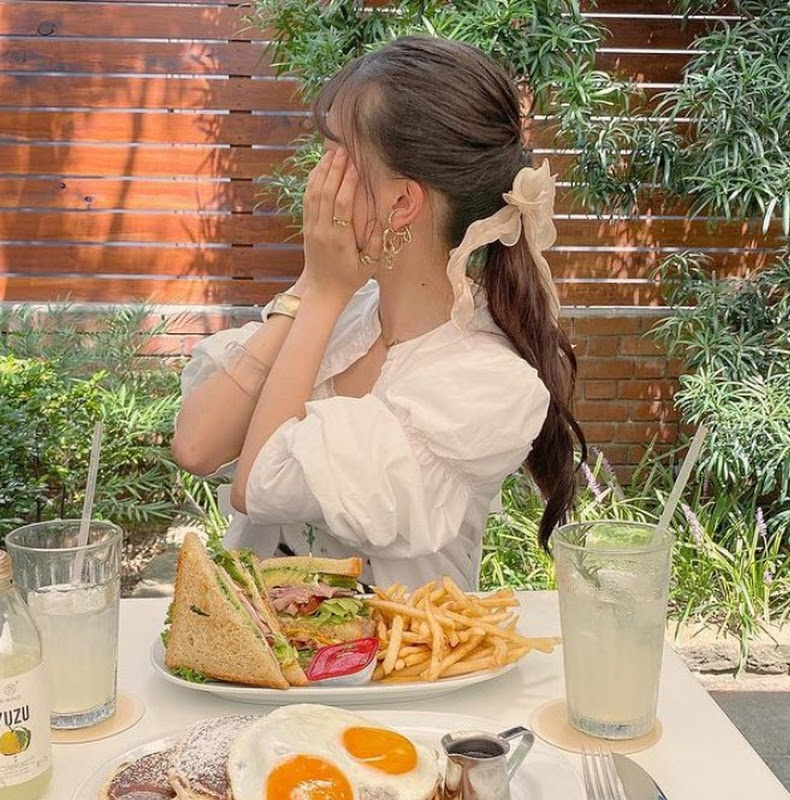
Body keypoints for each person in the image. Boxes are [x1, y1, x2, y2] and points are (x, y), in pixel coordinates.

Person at [172, 36, 585, 590]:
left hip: (403, 648)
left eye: (337, 155)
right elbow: (196, 446)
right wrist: (310, 289)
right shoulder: (341, 313)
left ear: (401, 202)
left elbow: (258, 486)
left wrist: (322, 295)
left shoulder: (481, 381)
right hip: (263, 644)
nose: (319, 178)